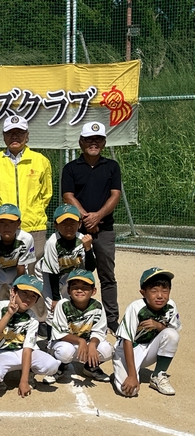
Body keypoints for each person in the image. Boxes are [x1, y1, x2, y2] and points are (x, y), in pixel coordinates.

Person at [62, 121, 122, 334]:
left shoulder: (112, 166)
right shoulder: (71, 168)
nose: (93, 143)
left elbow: (115, 194)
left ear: (104, 143)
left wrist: (97, 217)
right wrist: (86, 218)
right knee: (77, 275)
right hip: (77, 231)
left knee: (107, 275)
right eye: (89, 139)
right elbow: (68, 195)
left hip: (105, 229)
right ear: (81, 142)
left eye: (98, 139)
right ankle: (76, 317)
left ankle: (111, 319)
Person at [0, 115, 52, 271]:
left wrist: (34, 212)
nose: (15, 136)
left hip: (34, 228)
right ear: (3, 136)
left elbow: (46, 194)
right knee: (3, 276)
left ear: (27, 135)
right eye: (10, 132)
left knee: (32, 276)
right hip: (2, 228)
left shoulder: (41, 161)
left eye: (19, 132)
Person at [0, 274, 60, 397]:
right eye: (24, 293)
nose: (28, 299)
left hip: (21, 352)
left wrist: (24, 381)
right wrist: (9, 314)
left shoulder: (32, 318)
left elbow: (27, 349)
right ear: (13, 291)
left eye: (33, 296)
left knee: (52, 365)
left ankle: (28, 373)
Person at [113, 268, 181, 397]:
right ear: (143, 293)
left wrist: (158, 326)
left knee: (172, 334)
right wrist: (132, 376)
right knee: (129, 391)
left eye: (165, 291)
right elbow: (127, 341)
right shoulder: (136, 307)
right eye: (154, 291)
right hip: (128, 350)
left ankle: (158, 375)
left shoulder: (171, 306)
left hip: (150, 349)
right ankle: (125, 370)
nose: (160, 295)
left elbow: (172, 333)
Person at [44, 269, 113, 385]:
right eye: (75, 287)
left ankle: (90, 367)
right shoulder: (63, 304)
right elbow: (60, 333)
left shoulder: (97, 306)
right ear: (68, 290)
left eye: (85, 287)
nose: (80, 290)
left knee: (107, 350)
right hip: (65, 343)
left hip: (86, 345)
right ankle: (60, 367)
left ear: (93, 291)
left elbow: (99, 331)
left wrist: (92, 344)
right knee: (65, 351)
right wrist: (81, 341)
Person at [38, 204, 96, 333]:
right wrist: (55, 298)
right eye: (64, 222)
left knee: (69, 303)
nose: (68, 226)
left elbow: (90, 268)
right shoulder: (53, 242)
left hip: (68, 274)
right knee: (54, 309)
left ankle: (69, 334)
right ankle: (51, 340)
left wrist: (88, 248)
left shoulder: (82, 240)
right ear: (56, 225)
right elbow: (52, 272)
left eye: (72, 222)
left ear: (79, 224)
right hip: (47, 276)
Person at [0, 203, 36, 309]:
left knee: (19, 302)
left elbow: (21, 266)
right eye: (2, 222)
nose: (6, 226)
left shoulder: (27, 239)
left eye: (11, 222)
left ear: (19, 223)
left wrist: (18, 291)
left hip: (15, 270)